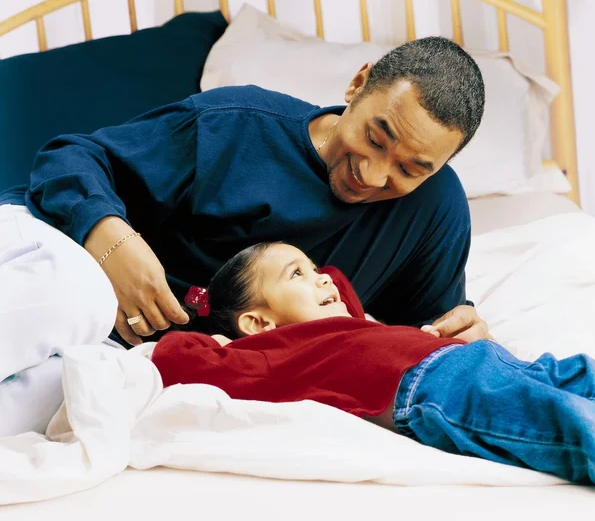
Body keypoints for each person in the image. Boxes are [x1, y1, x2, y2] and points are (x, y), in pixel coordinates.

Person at [0, 36, 487, 436]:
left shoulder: (434, 209)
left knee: (71, 402)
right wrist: (112, 244)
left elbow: (420, 336)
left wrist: (464, 337)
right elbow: (68, 160)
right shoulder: (236, 123)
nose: (375, 175)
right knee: (79, 297)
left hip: (126, 348)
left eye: (410, 168)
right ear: (357, 85)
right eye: (376, 139)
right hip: (53, 243)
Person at [152, 242, 595, 485]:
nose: (322, 277)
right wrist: (213, 330)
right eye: (297, 275)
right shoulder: (269, 353)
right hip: (432, 387)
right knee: (563, 419)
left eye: (313, 267)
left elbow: (339, 282)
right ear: (259, 321)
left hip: (479, 358)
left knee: (578, 373)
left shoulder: (353, 323)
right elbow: (177, 357)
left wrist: (310, 279)